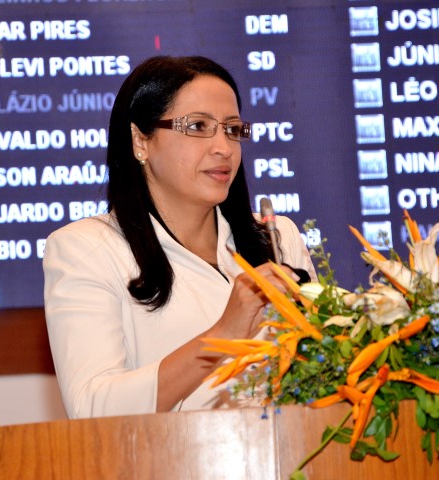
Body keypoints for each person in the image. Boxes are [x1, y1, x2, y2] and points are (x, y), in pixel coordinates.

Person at [43, 55, 316, 419]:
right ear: (141, 140)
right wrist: (222, 334)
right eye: (199, 126)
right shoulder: (85, 249)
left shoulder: (277, 238)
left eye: (232, 129)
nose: (223, 147)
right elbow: (93, 408)